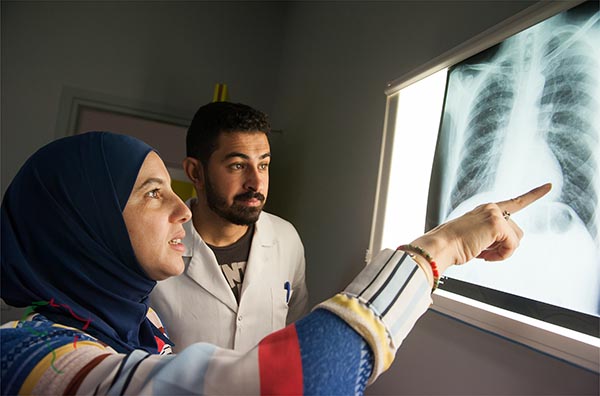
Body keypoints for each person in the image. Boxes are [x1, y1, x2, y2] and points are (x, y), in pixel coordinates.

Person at [0, 131, 550, 395]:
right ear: (82, 223)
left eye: (173, 190)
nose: (179, 211)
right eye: (151, 194)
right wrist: (442, 248)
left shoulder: (139, 326)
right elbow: (291, 380)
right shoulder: (24, 359)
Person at [150, 102, 309, 352]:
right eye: (238, 165)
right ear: (195, 172)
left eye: (263, 165)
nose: (256, 182)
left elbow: (294, 333)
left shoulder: (286, 238)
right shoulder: (154, 247)